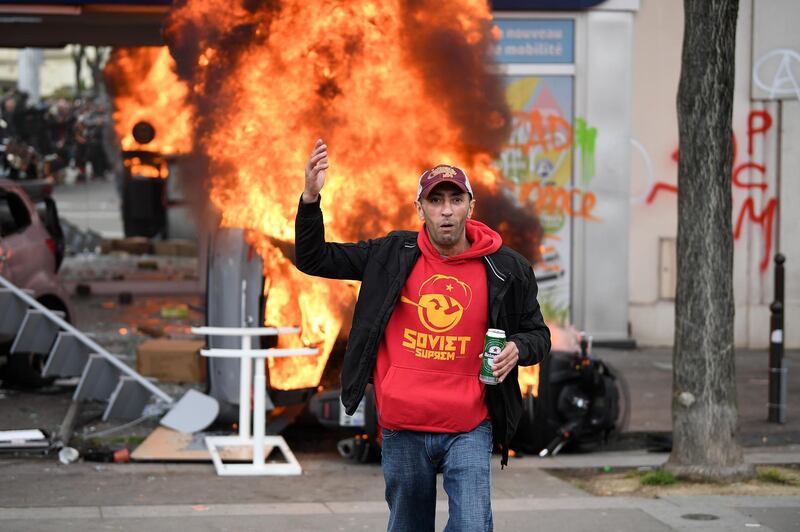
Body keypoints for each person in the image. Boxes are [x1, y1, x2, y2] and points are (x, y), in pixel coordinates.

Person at [295, 139, 551, 532]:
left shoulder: (505, 268)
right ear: (420, 209)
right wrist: (311, 198)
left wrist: (518, 347)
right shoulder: (392, 254)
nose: (446, 210)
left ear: (470, 206)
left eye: (455, 199)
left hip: (469, 426)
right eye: (435, 201)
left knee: (472, 527)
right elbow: (315, 259)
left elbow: (538, 334)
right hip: (402, 427)